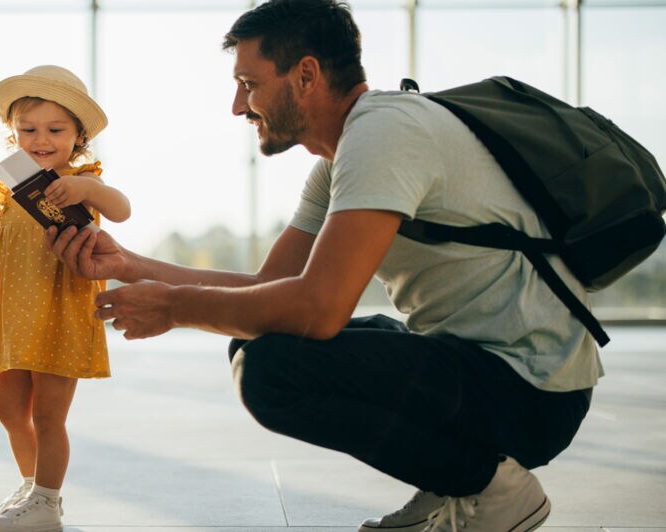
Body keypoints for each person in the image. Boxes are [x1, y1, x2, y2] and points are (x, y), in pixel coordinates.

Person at [45, 1, 599, 530]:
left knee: (273, 369)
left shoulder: (385, 133)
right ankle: (452, 480)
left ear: (306, 75)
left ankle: (487, 486)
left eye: (248, 84)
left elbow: (319, 310)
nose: (239, 107)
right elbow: (271, 288)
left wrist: (173, 306)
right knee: (260, 340)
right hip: (479, 369)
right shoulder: (343, 158)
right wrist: (133, 266)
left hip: (532, 393)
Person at [0, 64, 129, 532]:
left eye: (56, 129)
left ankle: (47, 500)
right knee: (9, 410)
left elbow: (121, 209)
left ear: (78, 135)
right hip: (14, 313)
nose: (41, 139)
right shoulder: (12, 183)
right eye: (28, 129)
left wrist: (84, 188)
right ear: (13, 132)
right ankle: (32, 488)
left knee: (48, 413)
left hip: (62, 311)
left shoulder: (86, 178)